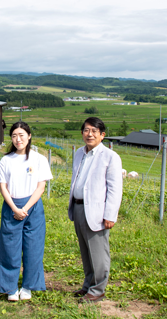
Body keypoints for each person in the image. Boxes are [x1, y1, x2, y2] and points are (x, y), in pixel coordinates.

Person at [68, 117, 123, 303]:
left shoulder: (110, 157)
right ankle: (88, 286)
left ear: (102, 135)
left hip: (97, 212)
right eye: (86, 130)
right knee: (85, 250)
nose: (89, 134)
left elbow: (115, 188)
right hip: (78, 207)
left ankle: (98, 289)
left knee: (98, 251)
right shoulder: (79, 154)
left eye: (94, 131)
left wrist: (110, 215)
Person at [0, 121, 52, 301]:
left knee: (33, 248)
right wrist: (14, 208)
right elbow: (3, 187)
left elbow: (41, 187)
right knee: (9, 248)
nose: (18, 139)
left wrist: (25, 209)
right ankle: (10, 287)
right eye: (14, 136)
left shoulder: (39, 159)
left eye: (21, 135)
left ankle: (28, 286)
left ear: (29, 136)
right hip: (11, 207)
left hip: (33, 207)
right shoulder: (6, 160)